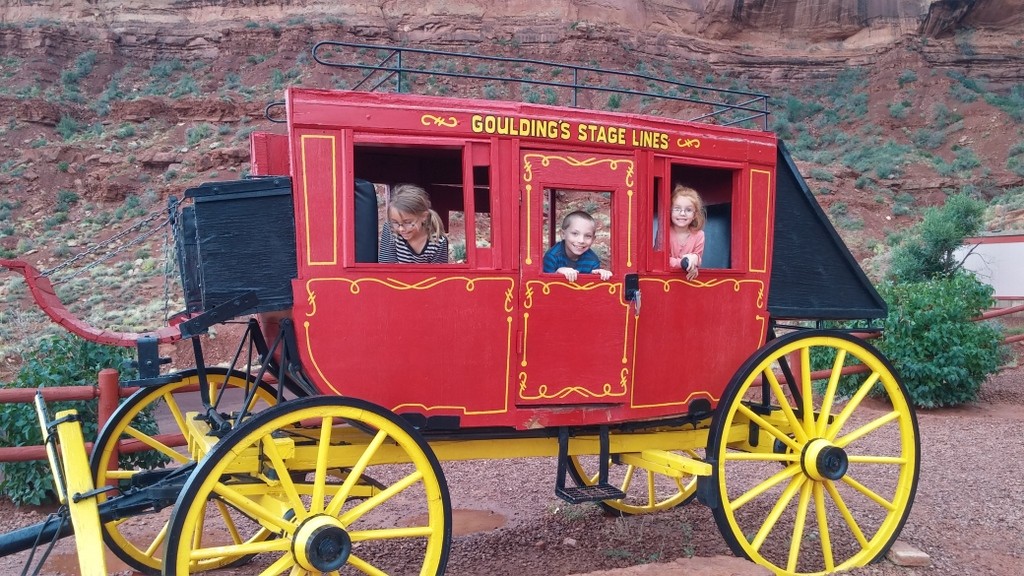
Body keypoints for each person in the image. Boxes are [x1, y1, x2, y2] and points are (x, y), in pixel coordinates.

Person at [378, 184, 449, 263]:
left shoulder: (437, 242)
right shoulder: (390, 230)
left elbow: (439, 273)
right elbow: (386, 267)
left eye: (407, 222)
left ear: (424, 217)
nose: (401, 229)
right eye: (395, 222)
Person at [542, 210, 612, 281]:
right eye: (575, 234)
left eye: (588, 236)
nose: (581, 240)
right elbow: (544, 285)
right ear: (563, 234)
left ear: (593, 239)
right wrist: (557, 274)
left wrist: (600, 275)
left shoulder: (592, 260)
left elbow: (592, 288)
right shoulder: (552, 256)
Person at [665, 184, 706, 280]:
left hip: (686, 280)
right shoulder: (665, 232)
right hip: (667, 279)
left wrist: (694, 262)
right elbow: (661, 260)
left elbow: (697, 257)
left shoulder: (699, 235)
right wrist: (683, 263)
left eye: (688, 210)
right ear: (670, 211)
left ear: (695, 214)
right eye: (677, 209)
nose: (682, 213)